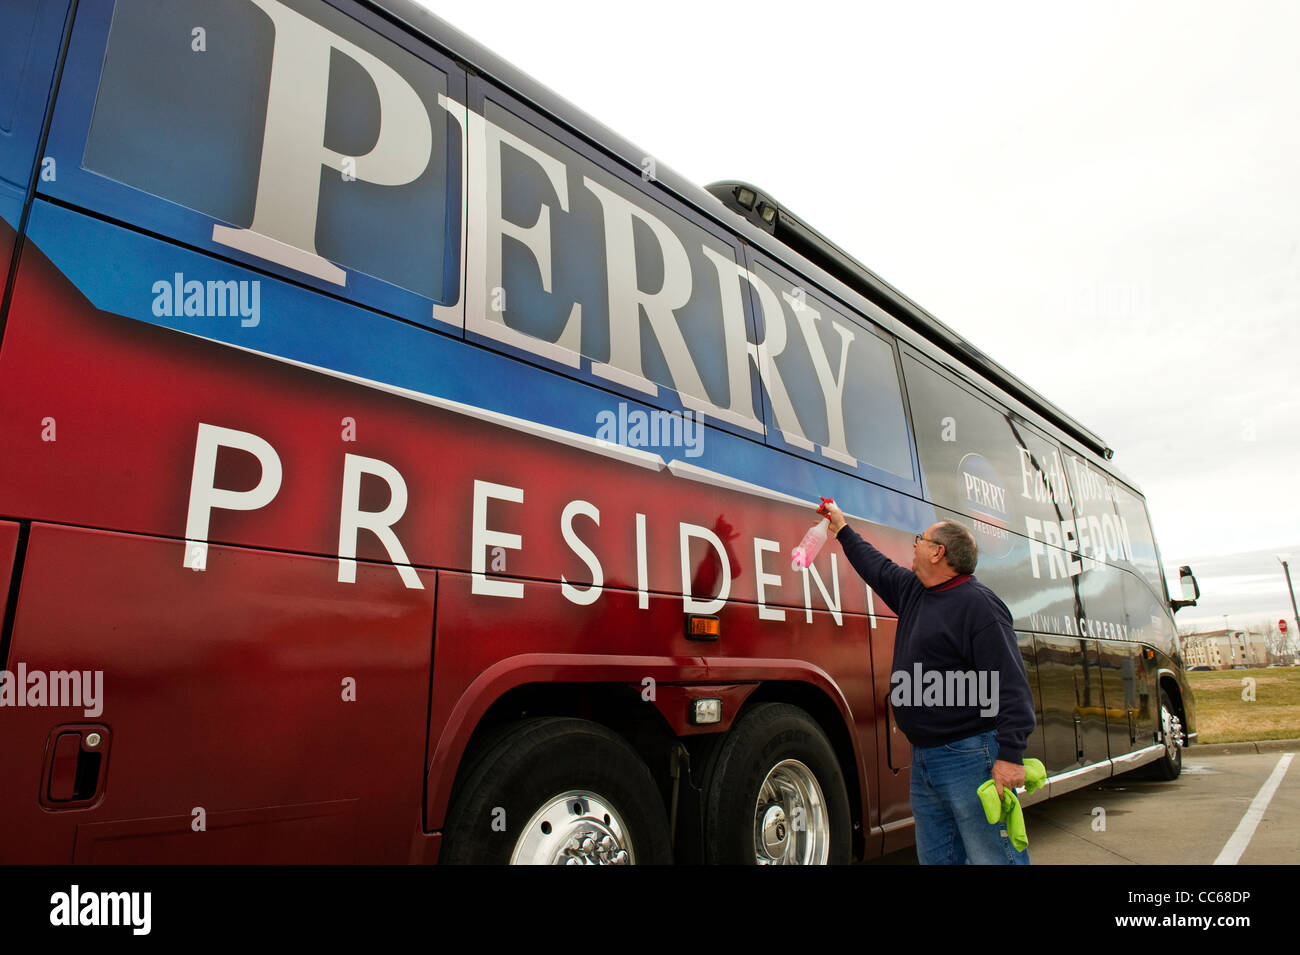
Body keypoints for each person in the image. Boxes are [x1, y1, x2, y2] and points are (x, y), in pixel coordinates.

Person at [820, 501, 1036, 865]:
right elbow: (877, 567)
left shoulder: (979, 606)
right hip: (925, 759)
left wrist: (1010, 756)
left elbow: (1011, 686)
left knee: (993, 857)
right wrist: (841, 527)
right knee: (938, 858)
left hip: (970, 756)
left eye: (921, 539)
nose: (914, 544)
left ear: (939, 552)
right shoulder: (915, 592)